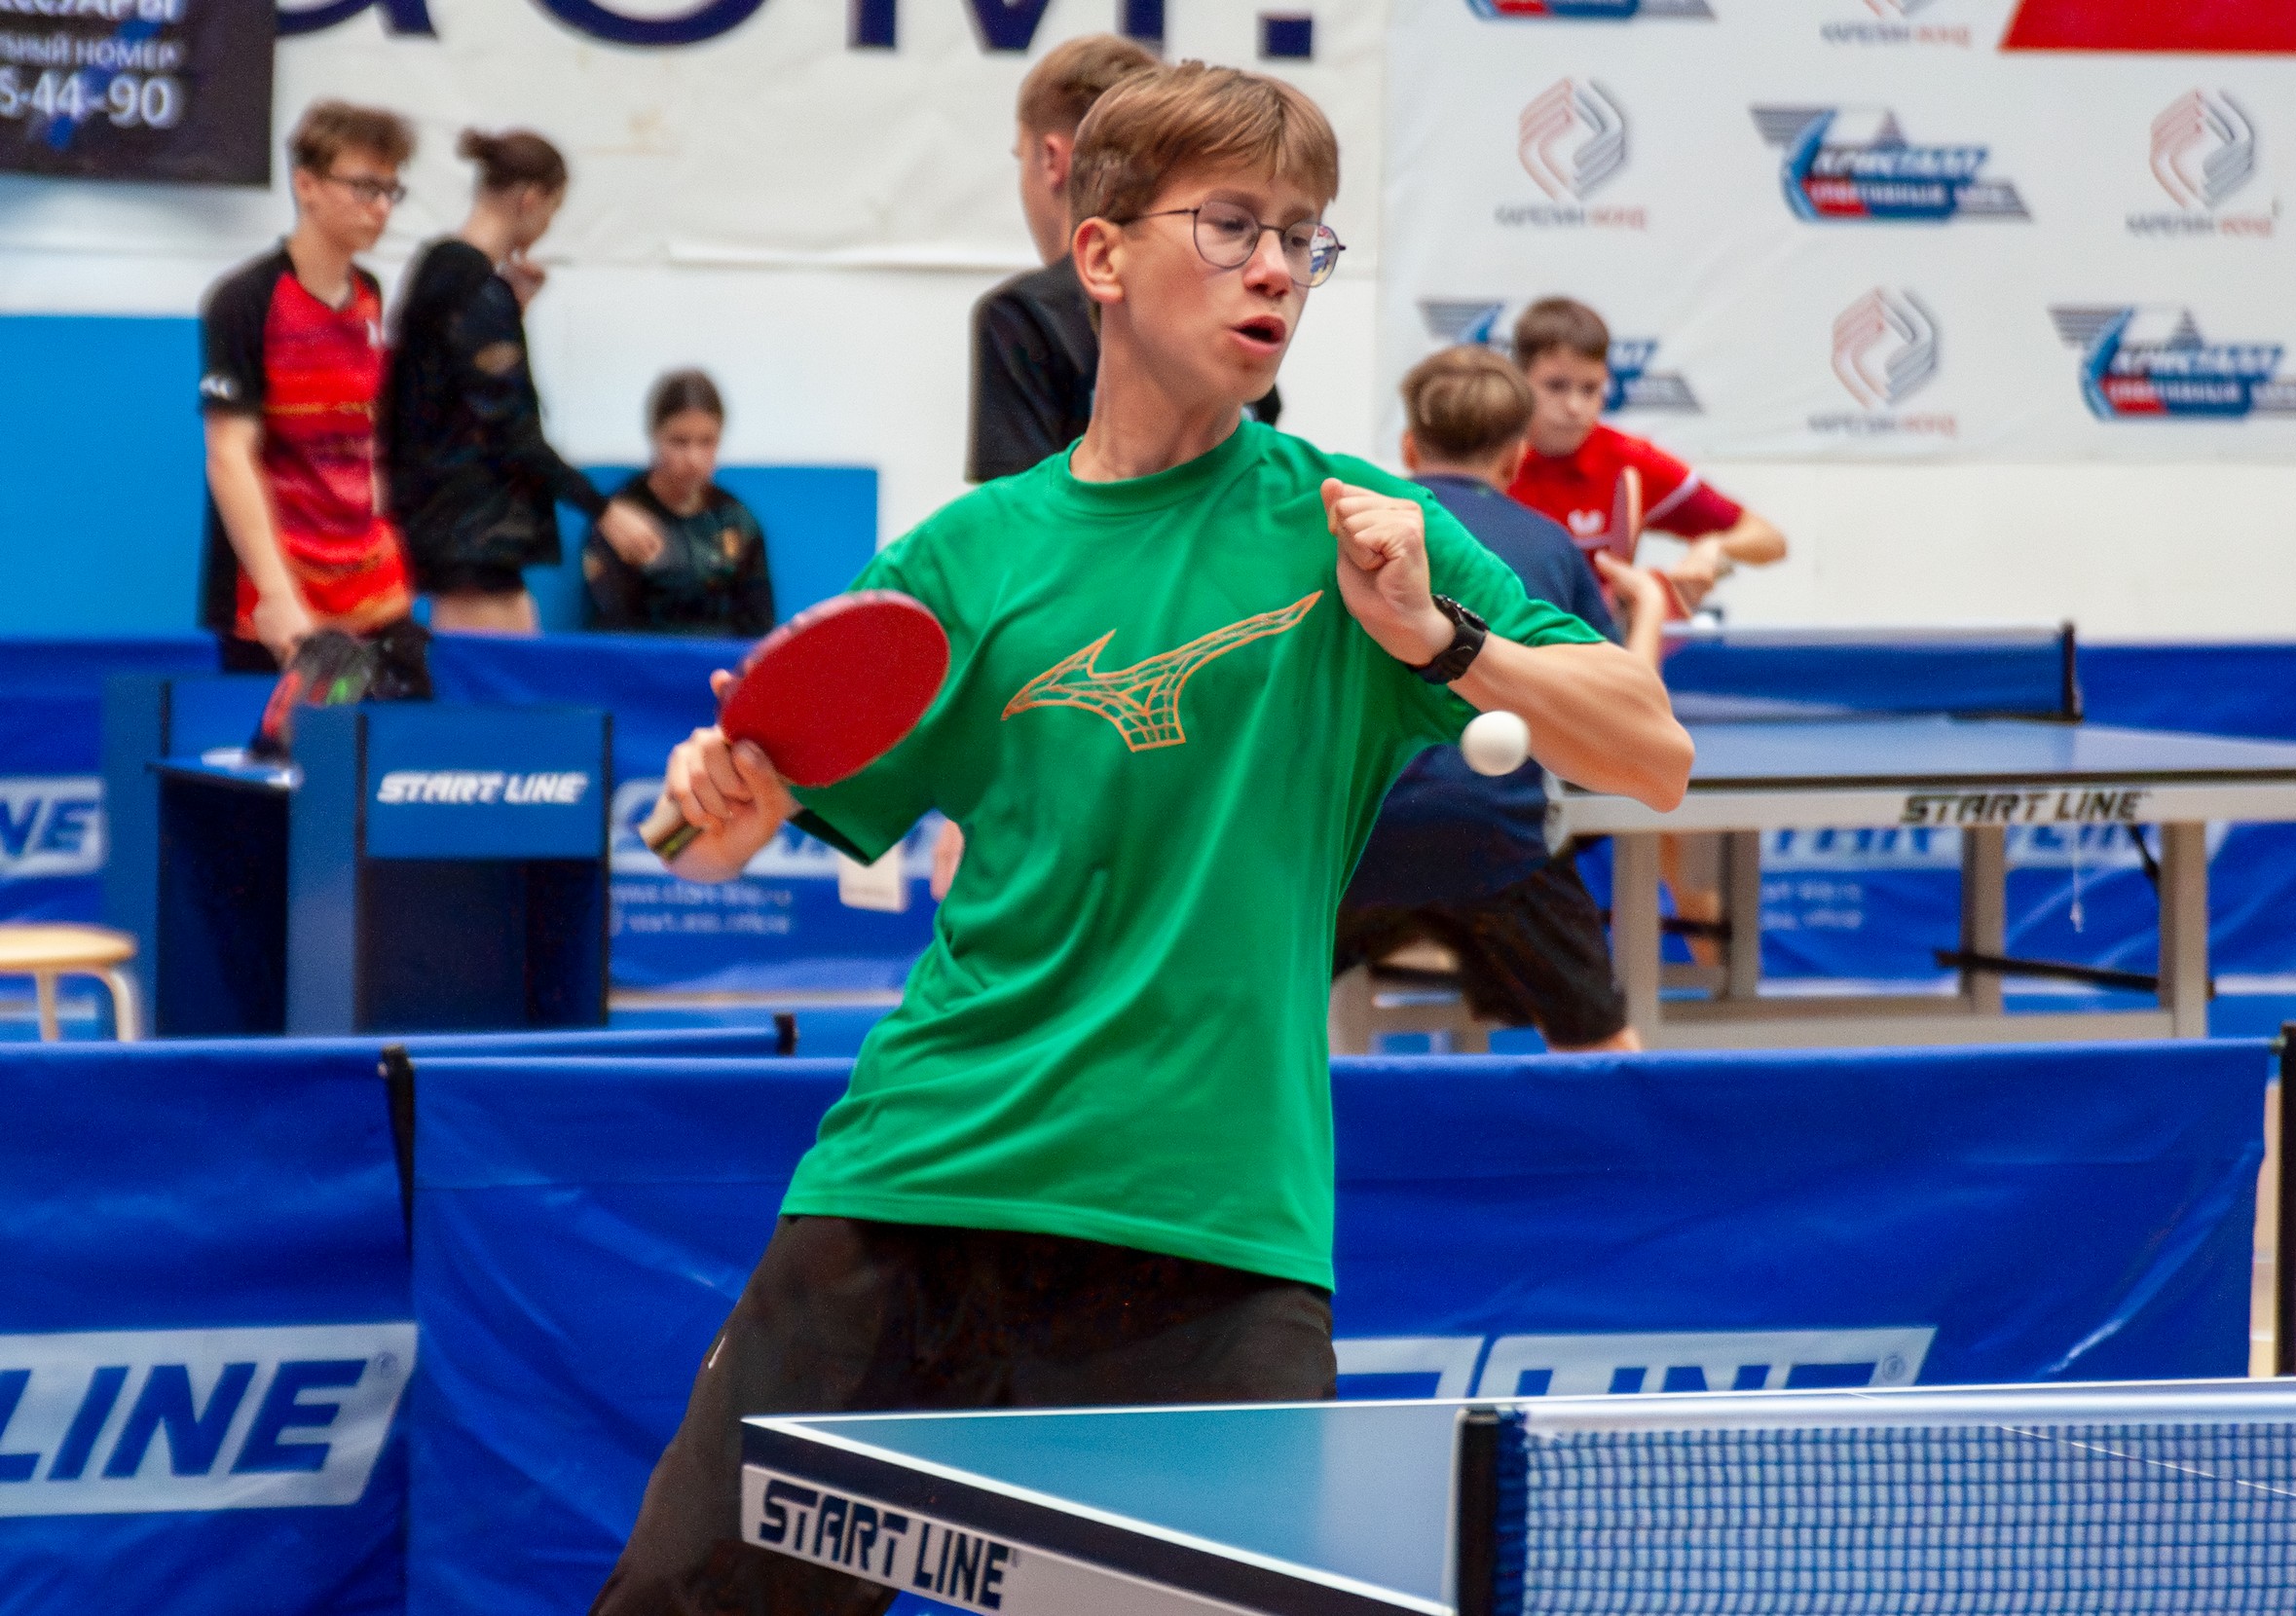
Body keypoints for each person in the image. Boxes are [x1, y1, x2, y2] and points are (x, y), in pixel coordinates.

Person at [594, 61, 1690, 1614]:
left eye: (1302, 238)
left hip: (1210, 1231)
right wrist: (714, 799)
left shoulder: (1357, 529)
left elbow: (1649, 752)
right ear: (1100, 254)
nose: (1275, 269)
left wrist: (1439, 639)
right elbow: (707, 845)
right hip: (919, 1186)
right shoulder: (971, 555)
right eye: (1231, 226)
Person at [1336, 346, 1668, 1054]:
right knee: (1603, 1051)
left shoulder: (1347, 538)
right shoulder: (1548, 546)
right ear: (1517, 459)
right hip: (1497, 843)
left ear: (1408, 448)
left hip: (1355, 839)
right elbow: (1621, 721)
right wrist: (1647, 609)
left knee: (1258, 1019)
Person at [967, 33, 1280, 484]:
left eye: (1022, 158)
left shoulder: (1025, 315)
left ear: (1052, 159)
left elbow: (1017, 514)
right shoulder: (1222, 309)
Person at [385, 128, 663, 634]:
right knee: (491, 675)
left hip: (458, 529)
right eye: (552, 211)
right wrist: (603, 510)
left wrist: (510, 311)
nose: (547, 226)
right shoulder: (473, 287)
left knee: (516, 648)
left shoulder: (442, 272)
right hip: (469, 533)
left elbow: (449, 387)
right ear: (531, 199)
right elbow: (508, 426)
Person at [198, 101, 427, 692]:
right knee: (289, 750)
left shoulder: (370, 295)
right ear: (306, 185)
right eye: (364, 188)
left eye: (391, 191)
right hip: (283, 591)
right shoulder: (245, 299)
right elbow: (229, 455)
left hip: (370, 584)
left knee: (399, 739)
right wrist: (277, 596)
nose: (381, 207)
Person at [1506, 296, 1786, 617]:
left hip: (1596, 644)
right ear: (1519, 381)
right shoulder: (1484, 454)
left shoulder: (1629, 462)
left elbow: (1769, 540)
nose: (1575, 406)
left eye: (1590, 388)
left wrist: (1714, 547)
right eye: (1556, 386)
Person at [582, 370, 776, 639]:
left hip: (722, 662)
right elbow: (614, 628)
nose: (693, 458)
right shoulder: (621, 521)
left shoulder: (737, 521)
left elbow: (760, 627)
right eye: (679, 442)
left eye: (707, 442)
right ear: (655, 435)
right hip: (644, 660)